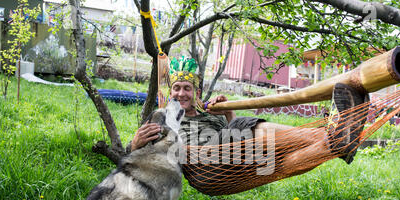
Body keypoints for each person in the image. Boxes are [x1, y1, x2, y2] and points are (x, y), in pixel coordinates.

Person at [130, 57, 367, 171]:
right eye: (177, 88)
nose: (181, 93)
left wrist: (230, 113)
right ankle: (330, 136)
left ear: (197, 92)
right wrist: (134, 145)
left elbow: (235, 135)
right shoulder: (162, 118)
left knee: (280, 162)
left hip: (231, 163)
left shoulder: (211, 114)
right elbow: (132, 161)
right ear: (170, 91)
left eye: (187, 88)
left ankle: (335, 146)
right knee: (245, 125)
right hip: (200, 167)